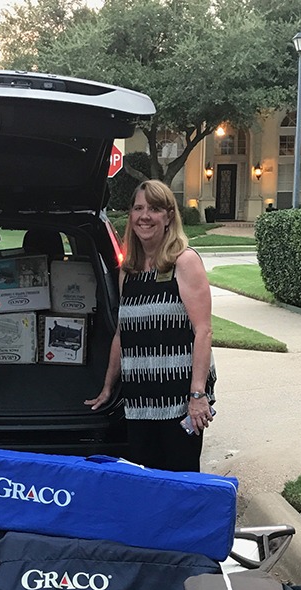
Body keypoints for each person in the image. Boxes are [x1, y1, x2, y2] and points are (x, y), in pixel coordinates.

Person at [86, 179, 216, 472]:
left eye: (154, 209)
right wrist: (108, 387)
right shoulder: (128, 271)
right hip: (140, 400)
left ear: (169, 216)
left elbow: (203, 331)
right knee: (148, 484)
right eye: (138, 208)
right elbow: (122, 333)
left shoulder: (184, 262)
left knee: (180, 485)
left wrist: (197, 395)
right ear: (130, 216)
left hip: (178, 401)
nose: (145, 216)